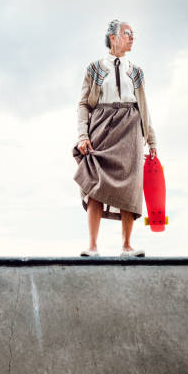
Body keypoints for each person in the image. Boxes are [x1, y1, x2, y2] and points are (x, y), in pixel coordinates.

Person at [71, 19, 158, 257]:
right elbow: (83, 104)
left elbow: (144, 107)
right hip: (101, 128)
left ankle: (127, 245)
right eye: (127, 33)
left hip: (130, 130)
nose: (132, 37)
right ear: (113, 37)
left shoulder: (137, 72)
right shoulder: (94, 68)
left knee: (131, 187)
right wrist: (82, 134)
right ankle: (92, 245)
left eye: (133, 34)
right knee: (95, 184)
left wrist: (151, 140)